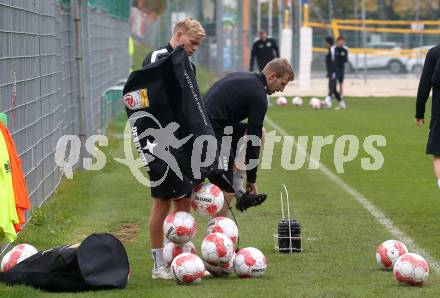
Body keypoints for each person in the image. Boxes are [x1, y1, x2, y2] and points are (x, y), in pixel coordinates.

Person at [139, 17, 206, 279]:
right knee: (162, 202)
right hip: (159, 143)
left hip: (183, 142)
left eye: (198, 46)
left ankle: (183, 260)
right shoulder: (156, 57)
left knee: (184, 201)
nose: (194, 49)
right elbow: (147, 99)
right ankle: (158, 266)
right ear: (178, 35)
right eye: (192, 43)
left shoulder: (188, 65)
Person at [204, 58, 295, 216]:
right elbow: (253, 141)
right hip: (208, 133)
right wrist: (252, 180)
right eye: (283, 84)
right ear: (272, 76)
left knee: (261, 132)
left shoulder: (247, 79)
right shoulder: (258, 94)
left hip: (211, 127)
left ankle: (238, 186)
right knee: (227, 188)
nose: (282, 90)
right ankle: (217, 235)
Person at [415, 44, 440, 189]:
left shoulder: (434, 53)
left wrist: (419, 112)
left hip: (438, 114)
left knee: (438, 154)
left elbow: (425, 83)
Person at [324, 36, 346, 110]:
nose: (324, 44)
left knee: (331, 86)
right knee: (333, 88)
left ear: (328, 43)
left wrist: (333, 72)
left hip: (334, 71)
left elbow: (334, 62)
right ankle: (341, 103)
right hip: (331, 71)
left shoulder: (333, 49)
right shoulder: (330, 49)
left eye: (325, 42)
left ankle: (328, 99)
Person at [334, 36, 349, 105]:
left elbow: (345, 60)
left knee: (341, 82)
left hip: (341, 69)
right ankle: (332, 95)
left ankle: (341, 95)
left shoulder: (345, 50)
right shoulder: (334, 49)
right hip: (334, 69)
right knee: (333, 83)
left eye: (343, 41)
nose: (342, 42)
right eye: (340, 41)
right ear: (337, 41)